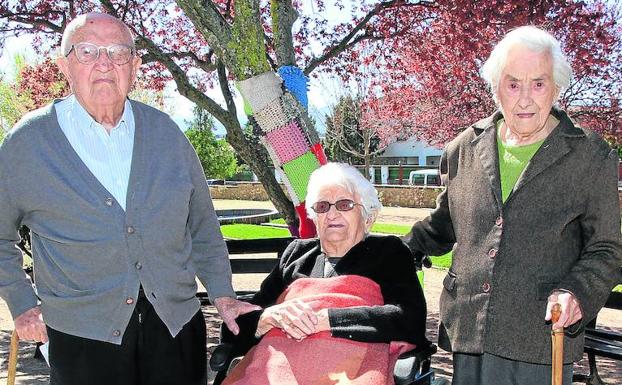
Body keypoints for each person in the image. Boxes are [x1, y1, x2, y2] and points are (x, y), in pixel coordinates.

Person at [0, 12, 258, 385]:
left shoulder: (167, 135)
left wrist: (223, 295)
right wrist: (22, 305)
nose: (104, 63)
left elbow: (202, 226)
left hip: (175, 329)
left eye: (118, 52)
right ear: (64, 66)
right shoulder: (28, 144)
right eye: (87, 51)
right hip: (82, 338)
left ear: (134, 66)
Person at [402, 25, 622, 385]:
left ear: (556, 87)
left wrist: (576, 292)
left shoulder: (590, 156)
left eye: (538, 83)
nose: (525, 98)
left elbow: (607, 249)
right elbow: (444, 225)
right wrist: (389, 251)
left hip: (539, 336)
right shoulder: (463, 148)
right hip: (469, 332)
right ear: (495, 88)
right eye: (513, 83)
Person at [218, 162, 428, 385]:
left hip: (348, 372)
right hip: (276, 374)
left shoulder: (388, 253)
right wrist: (268, 318)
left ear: (368, 216)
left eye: (345, 204)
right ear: (313, 218)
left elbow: (409, 318)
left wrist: (326, 319)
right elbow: (235, 326)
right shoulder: (296, 255)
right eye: (322, 207)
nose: (332, 214)